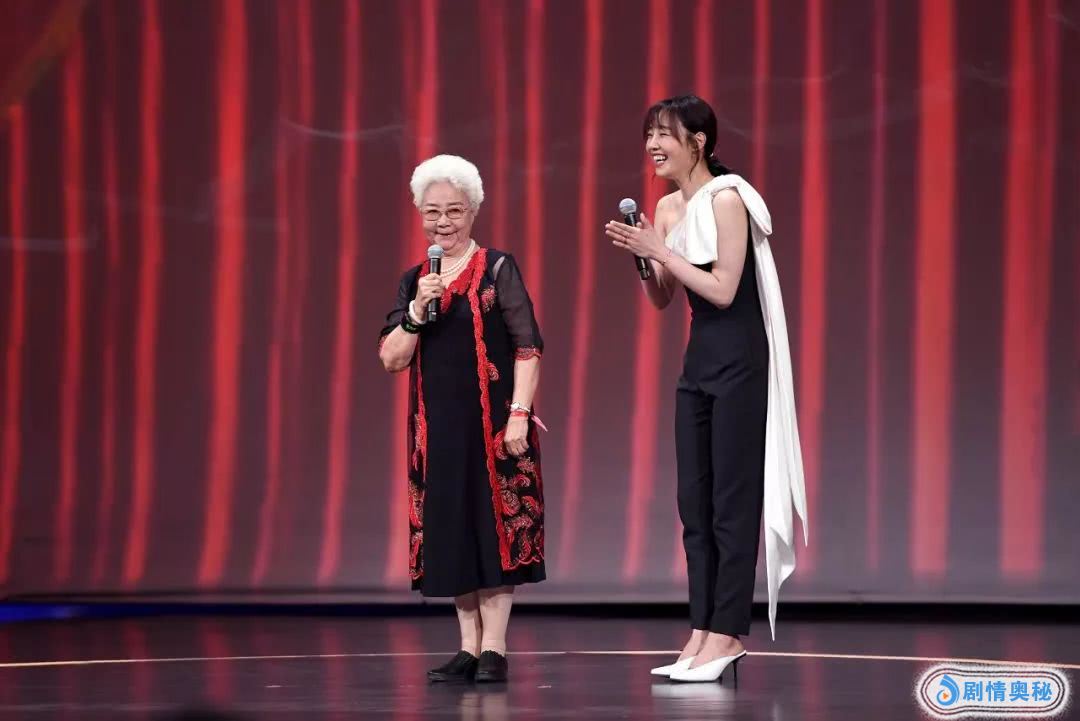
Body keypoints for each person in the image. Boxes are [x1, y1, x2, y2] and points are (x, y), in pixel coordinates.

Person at [605, 95, 807, 683]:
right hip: (699, 364)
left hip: (741, 360)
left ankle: (728, 634)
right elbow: (664, 297)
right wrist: (645, 258)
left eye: (664, 134)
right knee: (693, 504)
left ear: (698, 142)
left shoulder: (727, 198)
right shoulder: (668, 206)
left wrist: (659, 251)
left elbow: (722, 289)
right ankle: (700, 630)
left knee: (731, 504)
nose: (652, 145)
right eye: (648, 133)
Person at [379, 154, 546, 683]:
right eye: (432, 212)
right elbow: (391, 358)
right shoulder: (415, 281)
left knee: (492, 531)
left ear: (473, 211)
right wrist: (415, 312)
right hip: (438, 433)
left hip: (495, 427)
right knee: (451, 531)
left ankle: (495, 647)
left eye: (454, 210)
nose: (443, 222)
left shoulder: (497, 268)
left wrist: (519, 415)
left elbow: (528, 346)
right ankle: (468, 647)